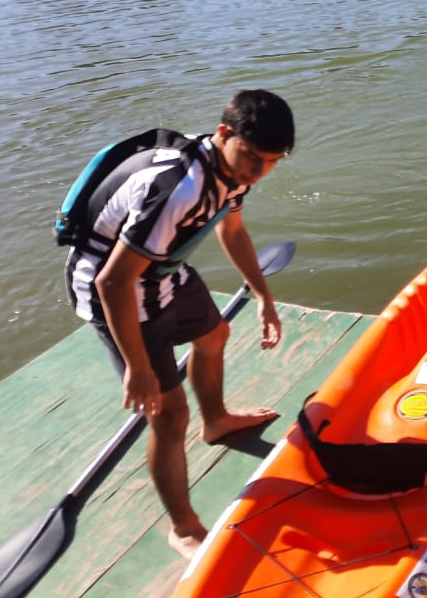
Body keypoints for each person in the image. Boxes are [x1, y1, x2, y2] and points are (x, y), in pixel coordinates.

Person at [63, 89, 295, 559]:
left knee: (215, 332)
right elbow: (113, 283)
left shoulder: (232, 171)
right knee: (168, 415)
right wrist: (138, 366)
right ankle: (184, 528)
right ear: (224, 133)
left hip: (161, 270)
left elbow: (232, 229)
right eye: (253, 158)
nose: (259, 172)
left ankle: (217, 421)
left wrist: (265, 297)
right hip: (113, 287)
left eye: (273, 161)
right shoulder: (179, 187)